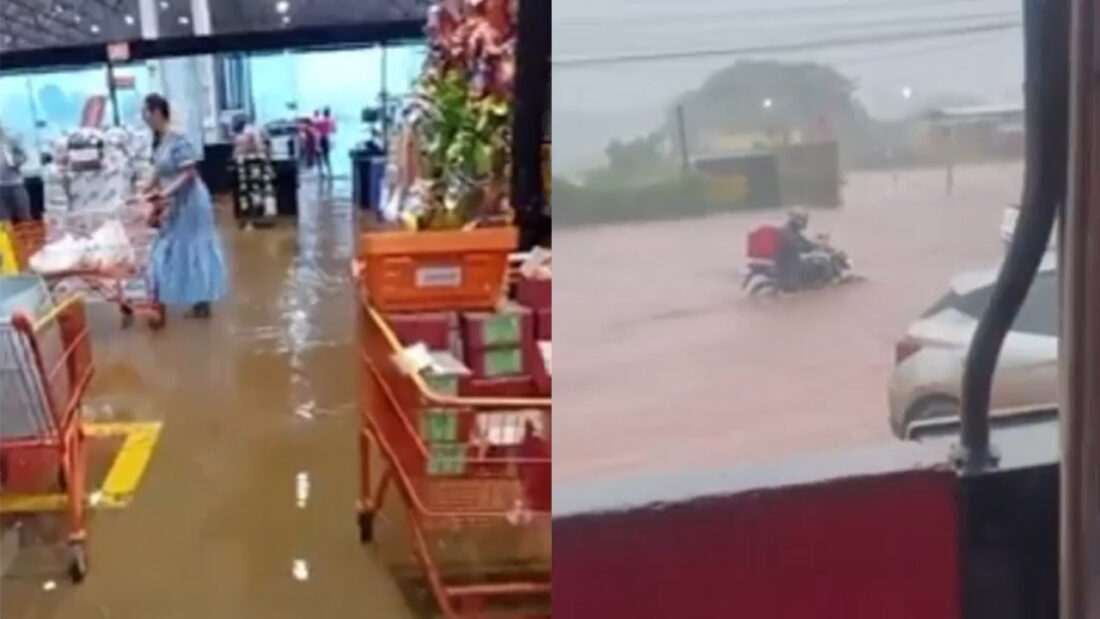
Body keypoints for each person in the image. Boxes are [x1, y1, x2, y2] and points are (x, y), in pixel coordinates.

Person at [142, 94, 228, 324]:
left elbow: (189, 173)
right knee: (173, 247)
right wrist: (142, 191)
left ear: (158, 112)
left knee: (193, 248)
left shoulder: (178, 137)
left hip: (191, 201)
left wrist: (165, 193)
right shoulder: (161, 140)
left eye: (146, 112)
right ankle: (189, 299)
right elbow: (158, 171)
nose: (144, 118)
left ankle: (201, 303)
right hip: (175, 201)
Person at [775, 207, 820, 291]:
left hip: (792, 258)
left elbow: (804, 241)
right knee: (794, 285)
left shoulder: (793, 230)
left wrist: (817, 245)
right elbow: (795, 245)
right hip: (787, 261)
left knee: (812, 265)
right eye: (803, 220)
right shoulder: (786, 230)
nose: (805, 222)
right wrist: (808, 248)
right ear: (798, 220)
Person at [0, 124, 32, 223]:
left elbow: (24, 156)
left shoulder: (10, 139)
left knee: (24, 216)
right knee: (3, 220)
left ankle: (28, 238)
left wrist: (17, 161)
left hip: (16, 184)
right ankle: (5, 239)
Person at [315, 107, 335, 178]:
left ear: (324, 113)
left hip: (320, 139)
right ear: (329, 113)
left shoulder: (320, 120)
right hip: (327, 139)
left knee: (319, 156)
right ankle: (330, 172)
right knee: (326, 157)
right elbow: (334, 130)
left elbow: (315, 128)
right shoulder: (331, 121)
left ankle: (321, 172)